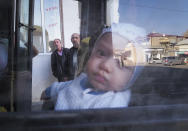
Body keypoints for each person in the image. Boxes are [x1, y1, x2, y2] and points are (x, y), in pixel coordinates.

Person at [41, 23, 146, 110]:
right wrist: (48, 91)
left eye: (121, 62)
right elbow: (63, 86)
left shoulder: (114, 104)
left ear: (132, 78)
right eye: (101, 53)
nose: (105, 66)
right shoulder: (83, 79)